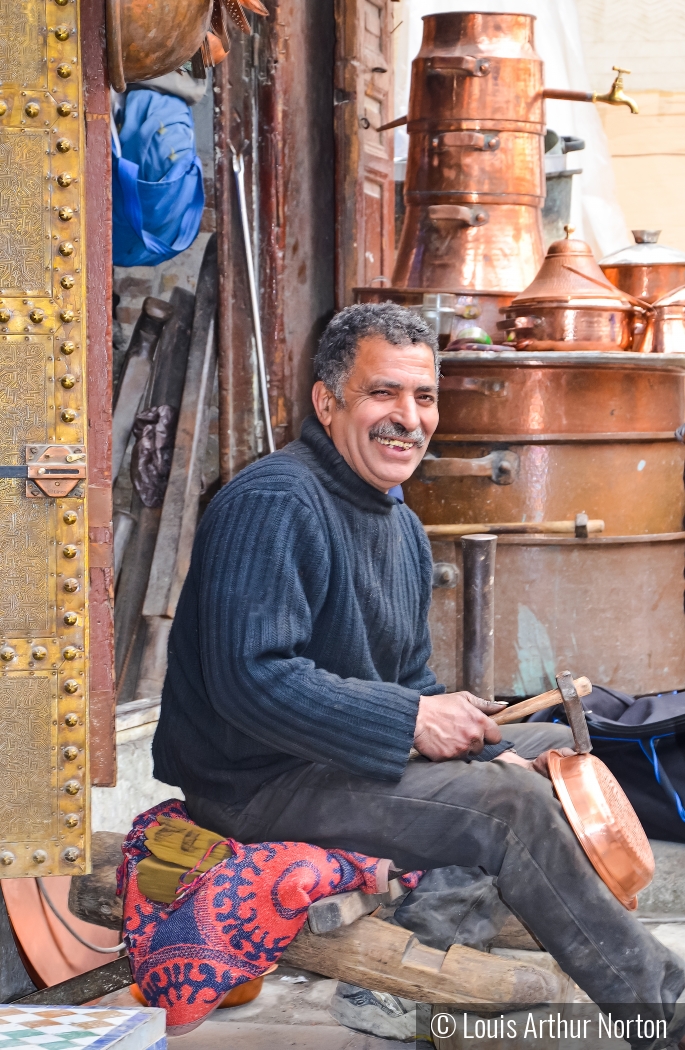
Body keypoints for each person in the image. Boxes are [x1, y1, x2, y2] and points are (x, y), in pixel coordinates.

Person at [153, 303, 685, 1047]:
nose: (408, 417)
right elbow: (251, 681)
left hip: (334, 760)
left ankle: (431, 942)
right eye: (383, 393)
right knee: (506, 804)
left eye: (424, 396)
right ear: (327, 401)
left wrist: (460, 726)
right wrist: (410, 721)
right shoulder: (273, 501)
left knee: (540, 754)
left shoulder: (399, 526)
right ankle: (659, 1009)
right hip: (255, 781)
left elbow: (406, 676)